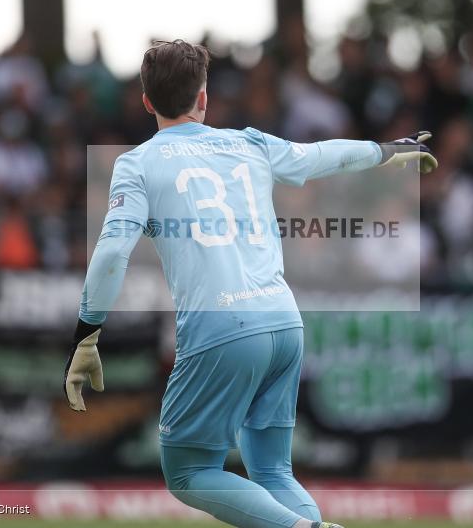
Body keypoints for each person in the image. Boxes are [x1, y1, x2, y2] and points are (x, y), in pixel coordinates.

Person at [64, 39, 437, 528]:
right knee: (273, 470)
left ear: (147, 102)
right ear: (204, 97)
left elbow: (114, 251)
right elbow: (320, 156)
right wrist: (385, 150)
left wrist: (87, 333)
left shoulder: (136, 164)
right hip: (283, 321)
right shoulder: (249, 143)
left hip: (221, 328)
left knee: (188, 471)